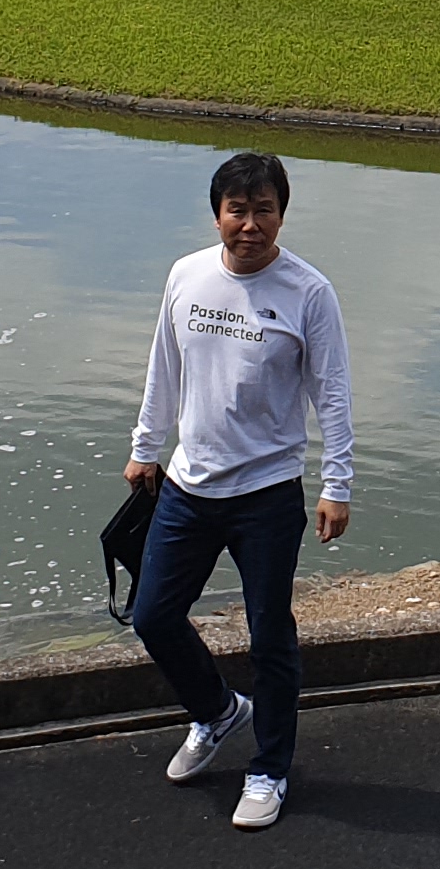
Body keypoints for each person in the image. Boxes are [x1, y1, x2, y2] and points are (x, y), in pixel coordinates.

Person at [124, 150, 354, 830]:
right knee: (152, 617)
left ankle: (270, 769)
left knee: (269, 637)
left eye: (264, 211)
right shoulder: (187, 276)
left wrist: (336, 485)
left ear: (282, 214)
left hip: (267, 494)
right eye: (238, 210)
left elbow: (332, 395)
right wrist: (146, 447)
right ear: (217, 213)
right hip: (189, 488)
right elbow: (163, 366)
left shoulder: (308, 292)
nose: (250, 225)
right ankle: (220, 712)